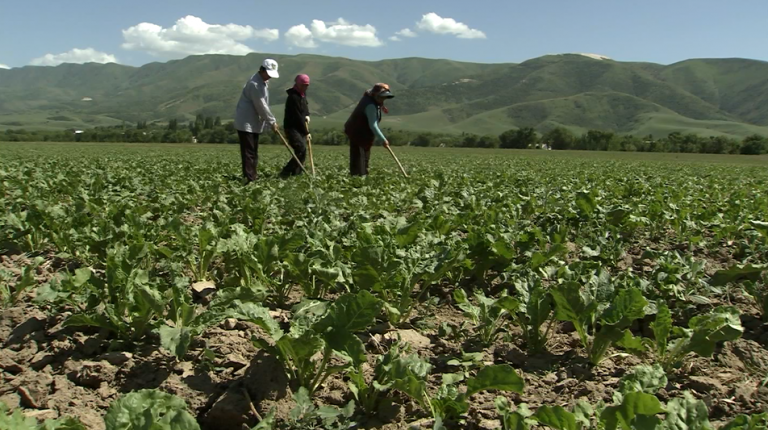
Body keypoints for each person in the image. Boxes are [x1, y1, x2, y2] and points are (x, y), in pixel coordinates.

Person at [233, 58, 280, 183]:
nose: (269, 77)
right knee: (249, 152)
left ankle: (252, 175)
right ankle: (250, 178)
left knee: (253, 151)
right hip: (246, 122)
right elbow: (261, 105)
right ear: (262, 70)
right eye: (268, 74)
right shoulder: (255, 84)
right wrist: (272, 122)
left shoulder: (262, 81)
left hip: (253, 122)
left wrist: (270, 121)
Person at [343, 83, 395, 176]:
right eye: (381, 97)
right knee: (361, 159)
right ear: (375, 94)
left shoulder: (371, 100)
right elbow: (373, 125)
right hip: (359, 135)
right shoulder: (370, 105)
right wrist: (383, 139)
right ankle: (360, 180)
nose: (382, 99)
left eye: (384, 97)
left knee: (359, 158)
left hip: (359, 133)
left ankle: (357, 178)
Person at [280, 74, 311, 177]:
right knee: (300, 149)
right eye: (303, 85)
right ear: (297, 84)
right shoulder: (293, 97)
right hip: (292, 127)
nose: (305, 87)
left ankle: (296, 174)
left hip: (300, 127)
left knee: (303, 151)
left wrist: (307, 115)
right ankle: (286, 172)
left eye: (307, 85)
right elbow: (297, 116)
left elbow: (305, 106)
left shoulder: (302, 94)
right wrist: (307, 133)